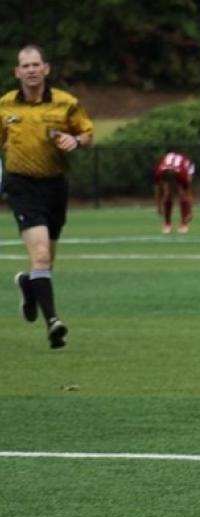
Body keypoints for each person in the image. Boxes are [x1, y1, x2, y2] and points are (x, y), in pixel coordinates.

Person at [2, 45, 93, 350]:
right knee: (40, 255)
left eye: (35, 64)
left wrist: (75, 140)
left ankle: (28, 285)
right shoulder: (4, 106)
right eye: (25, 65)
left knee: (46, 262)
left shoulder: (66, 103)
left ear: (46, 69)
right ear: (17, 72)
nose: (30, 70)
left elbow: (88, 135)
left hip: (55, 187)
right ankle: (53, 322)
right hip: (22, 186)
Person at [153, 151, 195, 233]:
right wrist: (158, 207)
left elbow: (188, 192)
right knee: (167, 194)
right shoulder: (159, 173)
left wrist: (190, 212)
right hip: (173, 168)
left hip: (186, 166)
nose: (172, 186)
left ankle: (184, 224)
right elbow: (157, 191)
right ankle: (167, 224)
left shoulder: (182, 176)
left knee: (182, 194)